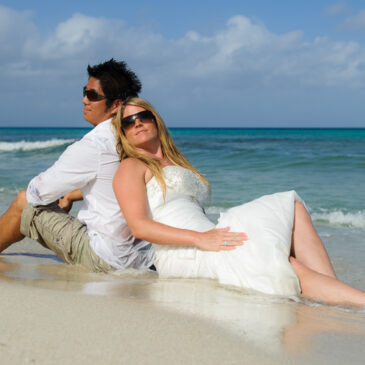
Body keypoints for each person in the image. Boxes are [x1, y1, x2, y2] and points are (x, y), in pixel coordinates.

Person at [112, 97, 365, 306]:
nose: (137, 124)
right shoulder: (131, 166)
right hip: (187, 251)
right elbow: (139, 226)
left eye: (143, 116)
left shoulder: (175, 163)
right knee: (275, 255)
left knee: (292, 208)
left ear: (156, 120)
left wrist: (207, 235)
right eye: (128, 122)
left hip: (207, 236)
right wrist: (199, 239)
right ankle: (348, 299)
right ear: (123, 133)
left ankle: (332, 291)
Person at [0, 60, 154, 272]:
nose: (84, 100)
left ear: (116, 105)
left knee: (23, 201)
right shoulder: (139, 140)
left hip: (107, 258)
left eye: (92, 95)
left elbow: (38, 194)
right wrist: (72, 194)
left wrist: (58, 194)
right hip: (144, 258)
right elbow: (114, 185)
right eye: (84, 92)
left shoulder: (95, 145)